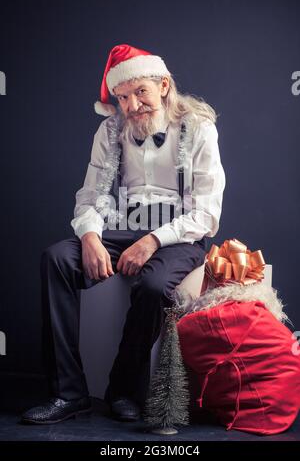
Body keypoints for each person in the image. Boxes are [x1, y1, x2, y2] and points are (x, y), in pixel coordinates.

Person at [21, 43, 226, 424]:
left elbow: (206, 213)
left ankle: (123, 388)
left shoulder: (198, 128)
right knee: (56, 258)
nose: (132, 105)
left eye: (140, 92)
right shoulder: (110, 129)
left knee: (153, 286)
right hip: (120, 226)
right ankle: (69, 392)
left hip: (179, 234)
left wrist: (151, 241)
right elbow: (91, 193)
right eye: (122, 97)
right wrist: (90, 237)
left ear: (164, 85)